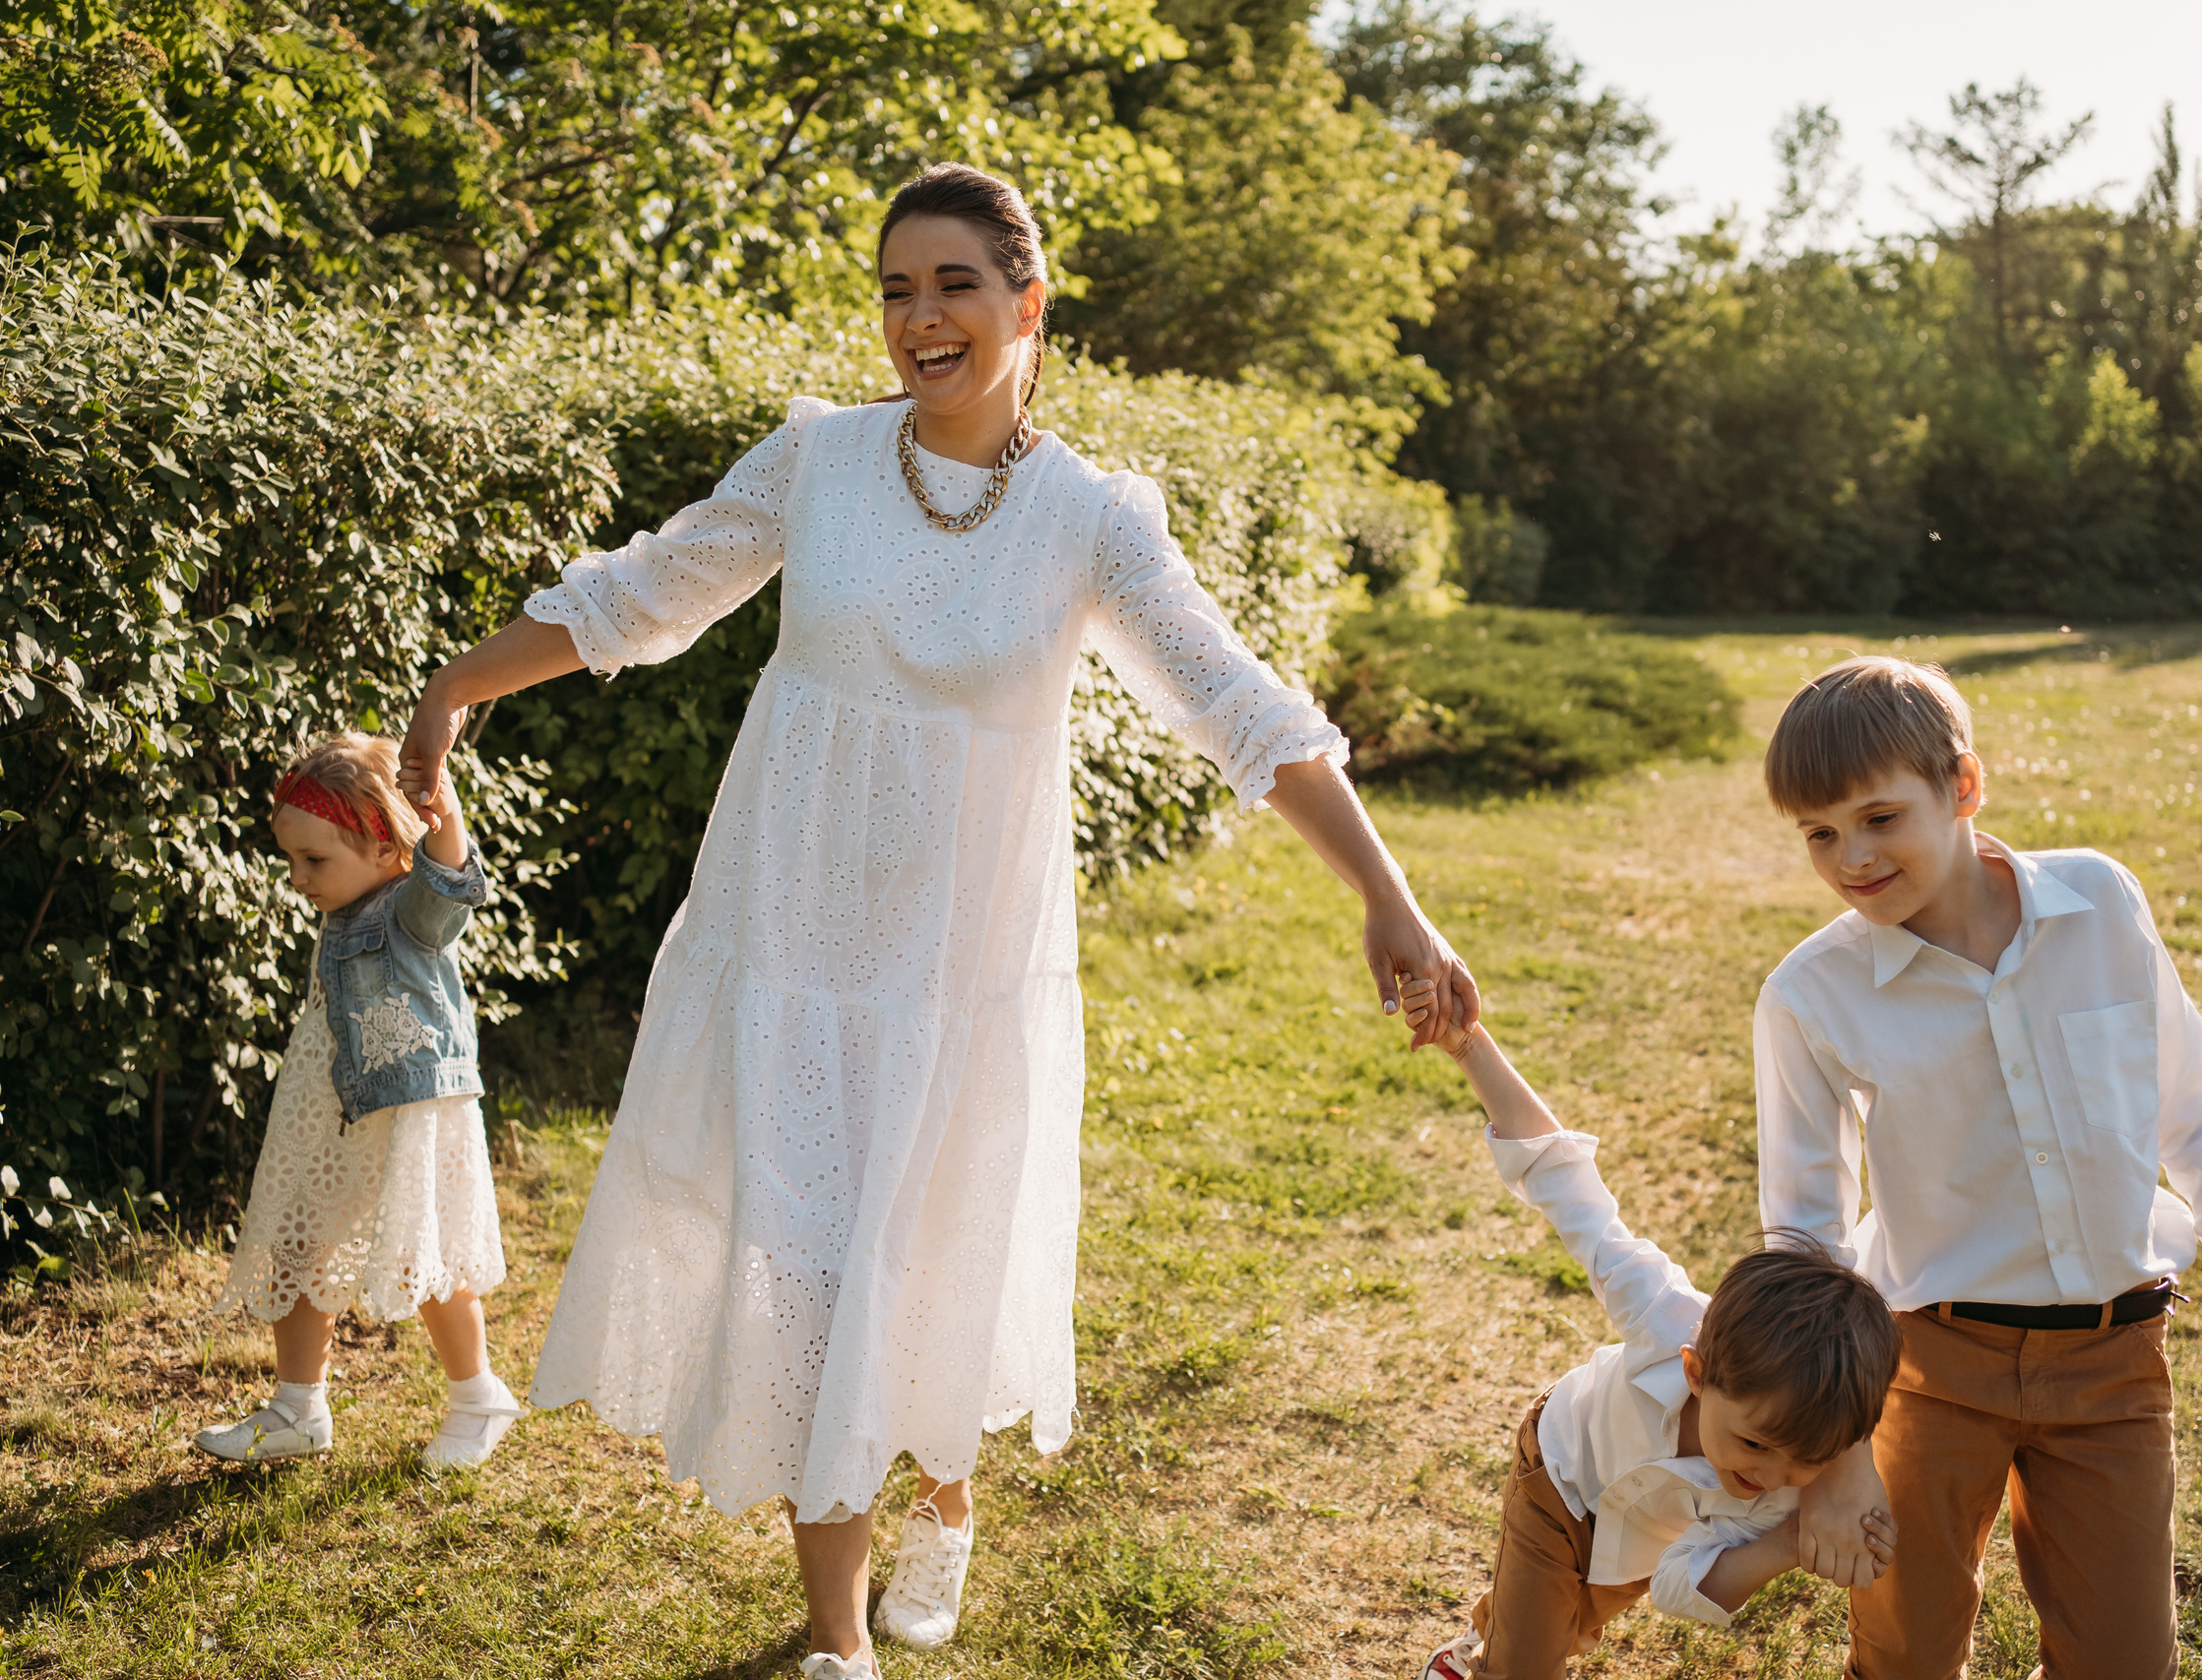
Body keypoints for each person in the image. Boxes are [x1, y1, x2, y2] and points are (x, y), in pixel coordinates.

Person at [392, 163, 1478, 1679]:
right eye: (897, 288)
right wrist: (454, 689)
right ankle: (840, 1640)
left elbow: (1237, 704)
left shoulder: (1092, 520)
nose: (921, 317)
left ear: (1029, 305)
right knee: (812, 1260)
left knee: (929, 1262)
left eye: (956, 284)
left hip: (960, 976)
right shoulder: (819, 461)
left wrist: (1389, 892)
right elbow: (650, 590)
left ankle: (946, 1502)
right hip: (793, 950)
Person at [1755, 655, 2202, 1678]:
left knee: (2124, 1662)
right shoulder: (1811, 994)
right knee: (1904, 1655)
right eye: (1819, 834)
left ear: (1963, 787)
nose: (1851, 858)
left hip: (2113, 1362)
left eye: (1879, 818)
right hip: (1926, 1367)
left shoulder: (2099, 903)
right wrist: (1832, 1455)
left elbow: (2184, 1095)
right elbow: (1806, 1237)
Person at [1398, 976, 1897, 1680]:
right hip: (1562, 1472)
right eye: (1754, 1440)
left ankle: (1490, 1640)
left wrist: (1791, 1537)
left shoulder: (1784, 1479)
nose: (1770, 1473)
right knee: (1527, 1664)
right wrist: (1466, 1042)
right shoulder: (1664, 1314)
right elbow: (1569, 1188)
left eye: (1804, 1462)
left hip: (1629, 1543)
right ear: (1696, 1370)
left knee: (1561, 1623)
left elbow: (1678, 1584)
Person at [197, 733, 521, 1470]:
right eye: (292, 860)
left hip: (410, 1110)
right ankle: (297, 1407)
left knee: (424, 1260)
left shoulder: (410, 915)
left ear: (385, 850)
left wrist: (440, 797)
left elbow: (449, 878)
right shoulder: (344, 908)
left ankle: (478, 1396)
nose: (297, 877)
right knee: (300, 1239)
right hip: (332, 1104)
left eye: (315, 860)